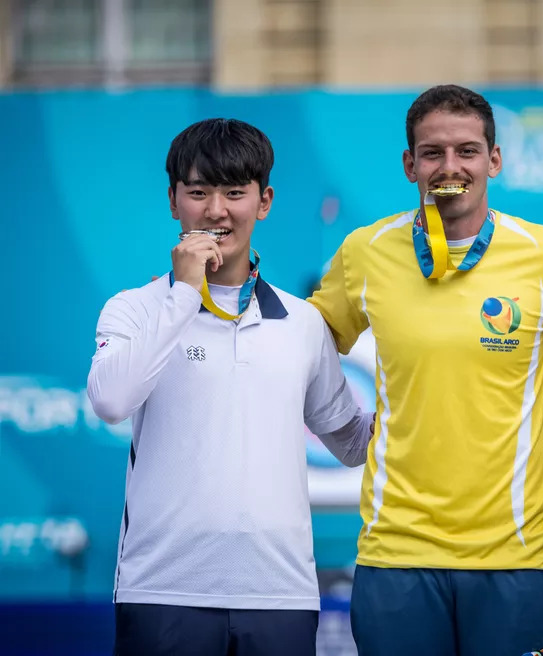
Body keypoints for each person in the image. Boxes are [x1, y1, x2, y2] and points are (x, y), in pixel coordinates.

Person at [307, 84, 543, 656]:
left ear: (495, 160)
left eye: (467, 151)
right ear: (410, 164)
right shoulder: (366, 252)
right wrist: (346, 433)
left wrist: (539, 408)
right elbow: (303, 350)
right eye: (432, 153)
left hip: (518, 556)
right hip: (395, 555)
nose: (449, 167)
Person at [86, 118, 373, 656]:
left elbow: (352, 443)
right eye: (198, 192)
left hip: (281, 594)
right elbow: (109, 401)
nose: (216, 210)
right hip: (161, 591)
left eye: (234, 193)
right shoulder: (133, 309)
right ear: (174, 201)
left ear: (263, 202)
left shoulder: (303, 322)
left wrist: (425, 396)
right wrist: (182, 298)